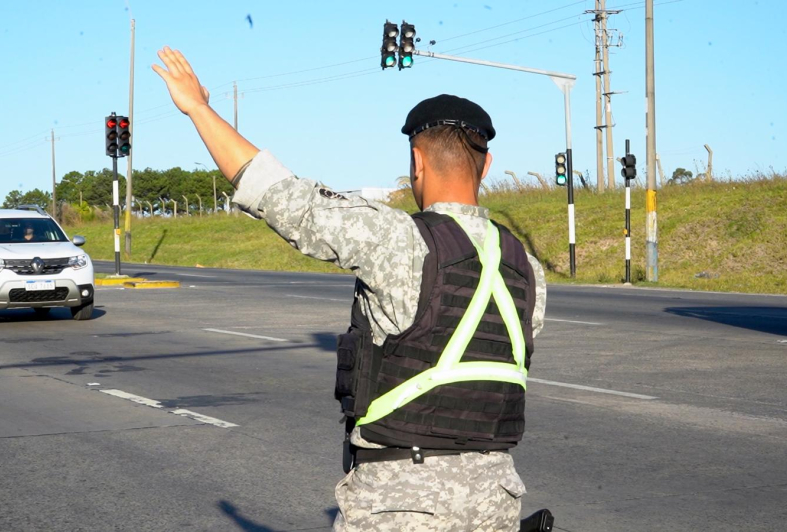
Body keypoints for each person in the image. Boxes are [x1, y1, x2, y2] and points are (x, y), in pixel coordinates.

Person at [152, 47, 546, 531]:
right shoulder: (527, 266)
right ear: (486, 167)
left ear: (417, 163)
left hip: (403, 501)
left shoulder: (400, 240)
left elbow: (282, 197)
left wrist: (199, 109)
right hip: (497, 500)